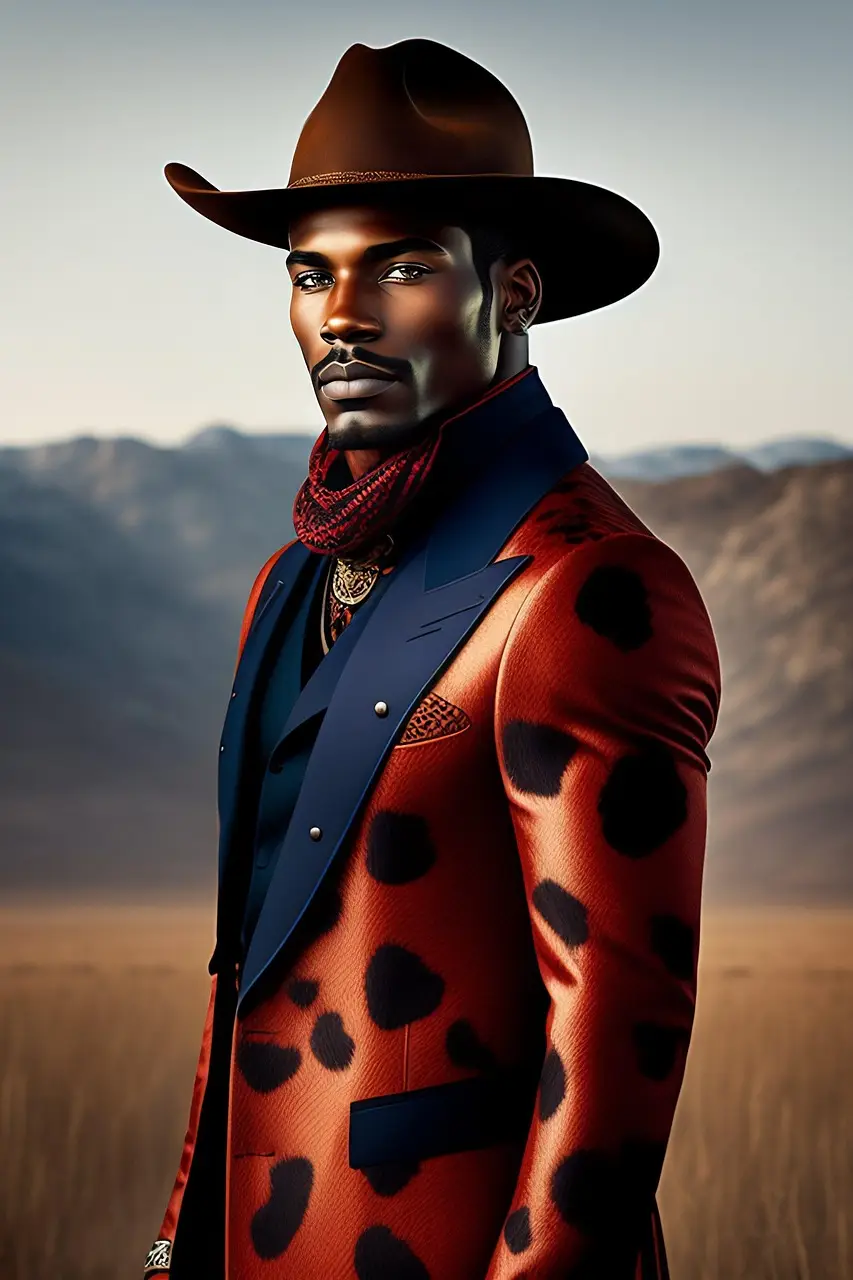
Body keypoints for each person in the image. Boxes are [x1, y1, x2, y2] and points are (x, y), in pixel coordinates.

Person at [144, 38, 721, 1280]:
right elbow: (249, 967)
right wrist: (179, 1237)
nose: (341, 316)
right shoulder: (289, 577)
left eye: (400, 267)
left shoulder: (585, 585)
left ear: (513, 293)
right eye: (312, 272)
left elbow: (616, 1028)